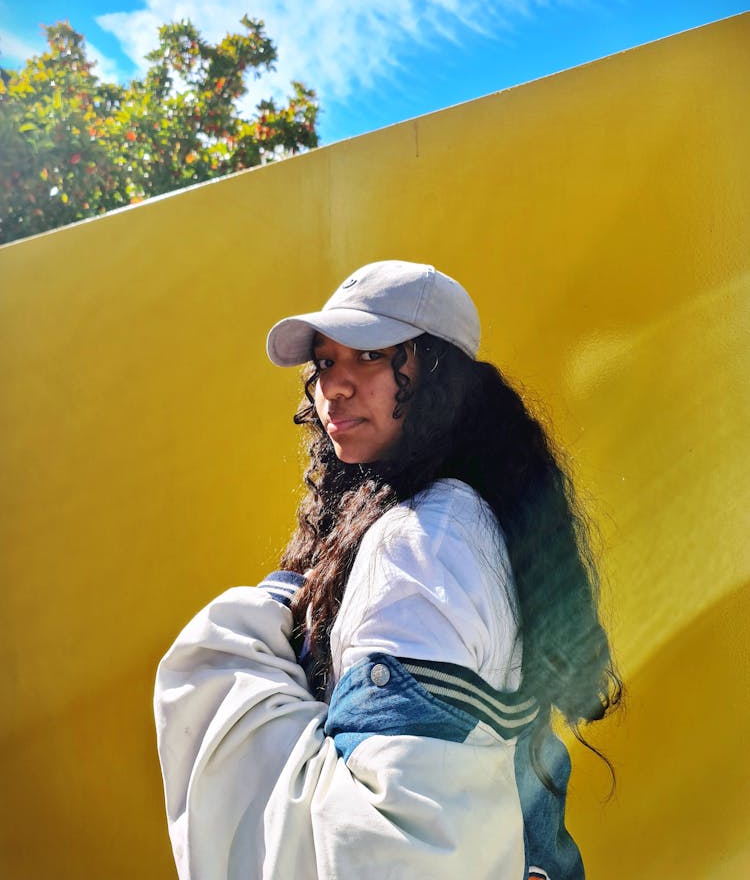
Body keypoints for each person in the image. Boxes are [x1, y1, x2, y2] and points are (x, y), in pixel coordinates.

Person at [154, 259, 621, 880]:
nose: (334, 386)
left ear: (436, 375)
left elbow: (397, 845)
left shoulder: (421, 543)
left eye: (369, 355)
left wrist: (234, 657)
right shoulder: (471, 512)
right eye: (323, 361)